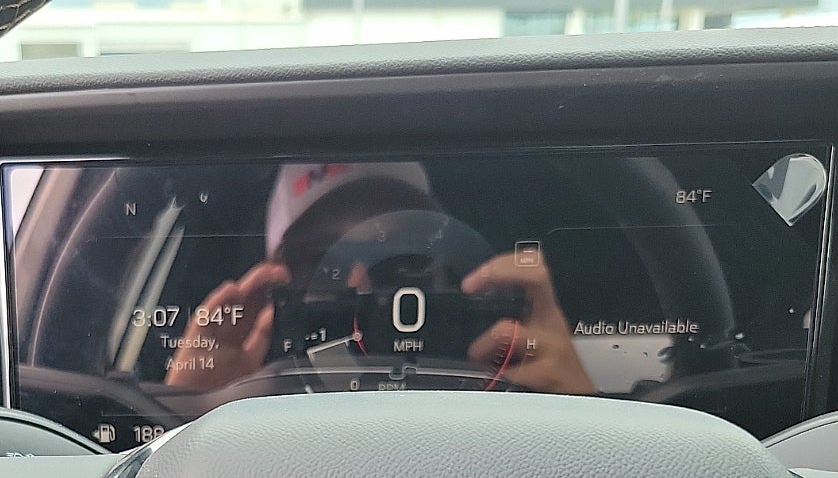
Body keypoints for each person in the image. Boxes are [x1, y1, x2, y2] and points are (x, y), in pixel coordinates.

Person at [162, 160, 594, 407]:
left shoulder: (502, 387)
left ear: (447, 276)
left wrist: (568, 410)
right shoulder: (246, 403)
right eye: (323, 262)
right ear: (273, 297)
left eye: (400, 256)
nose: (360, 284)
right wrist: (199, 413)